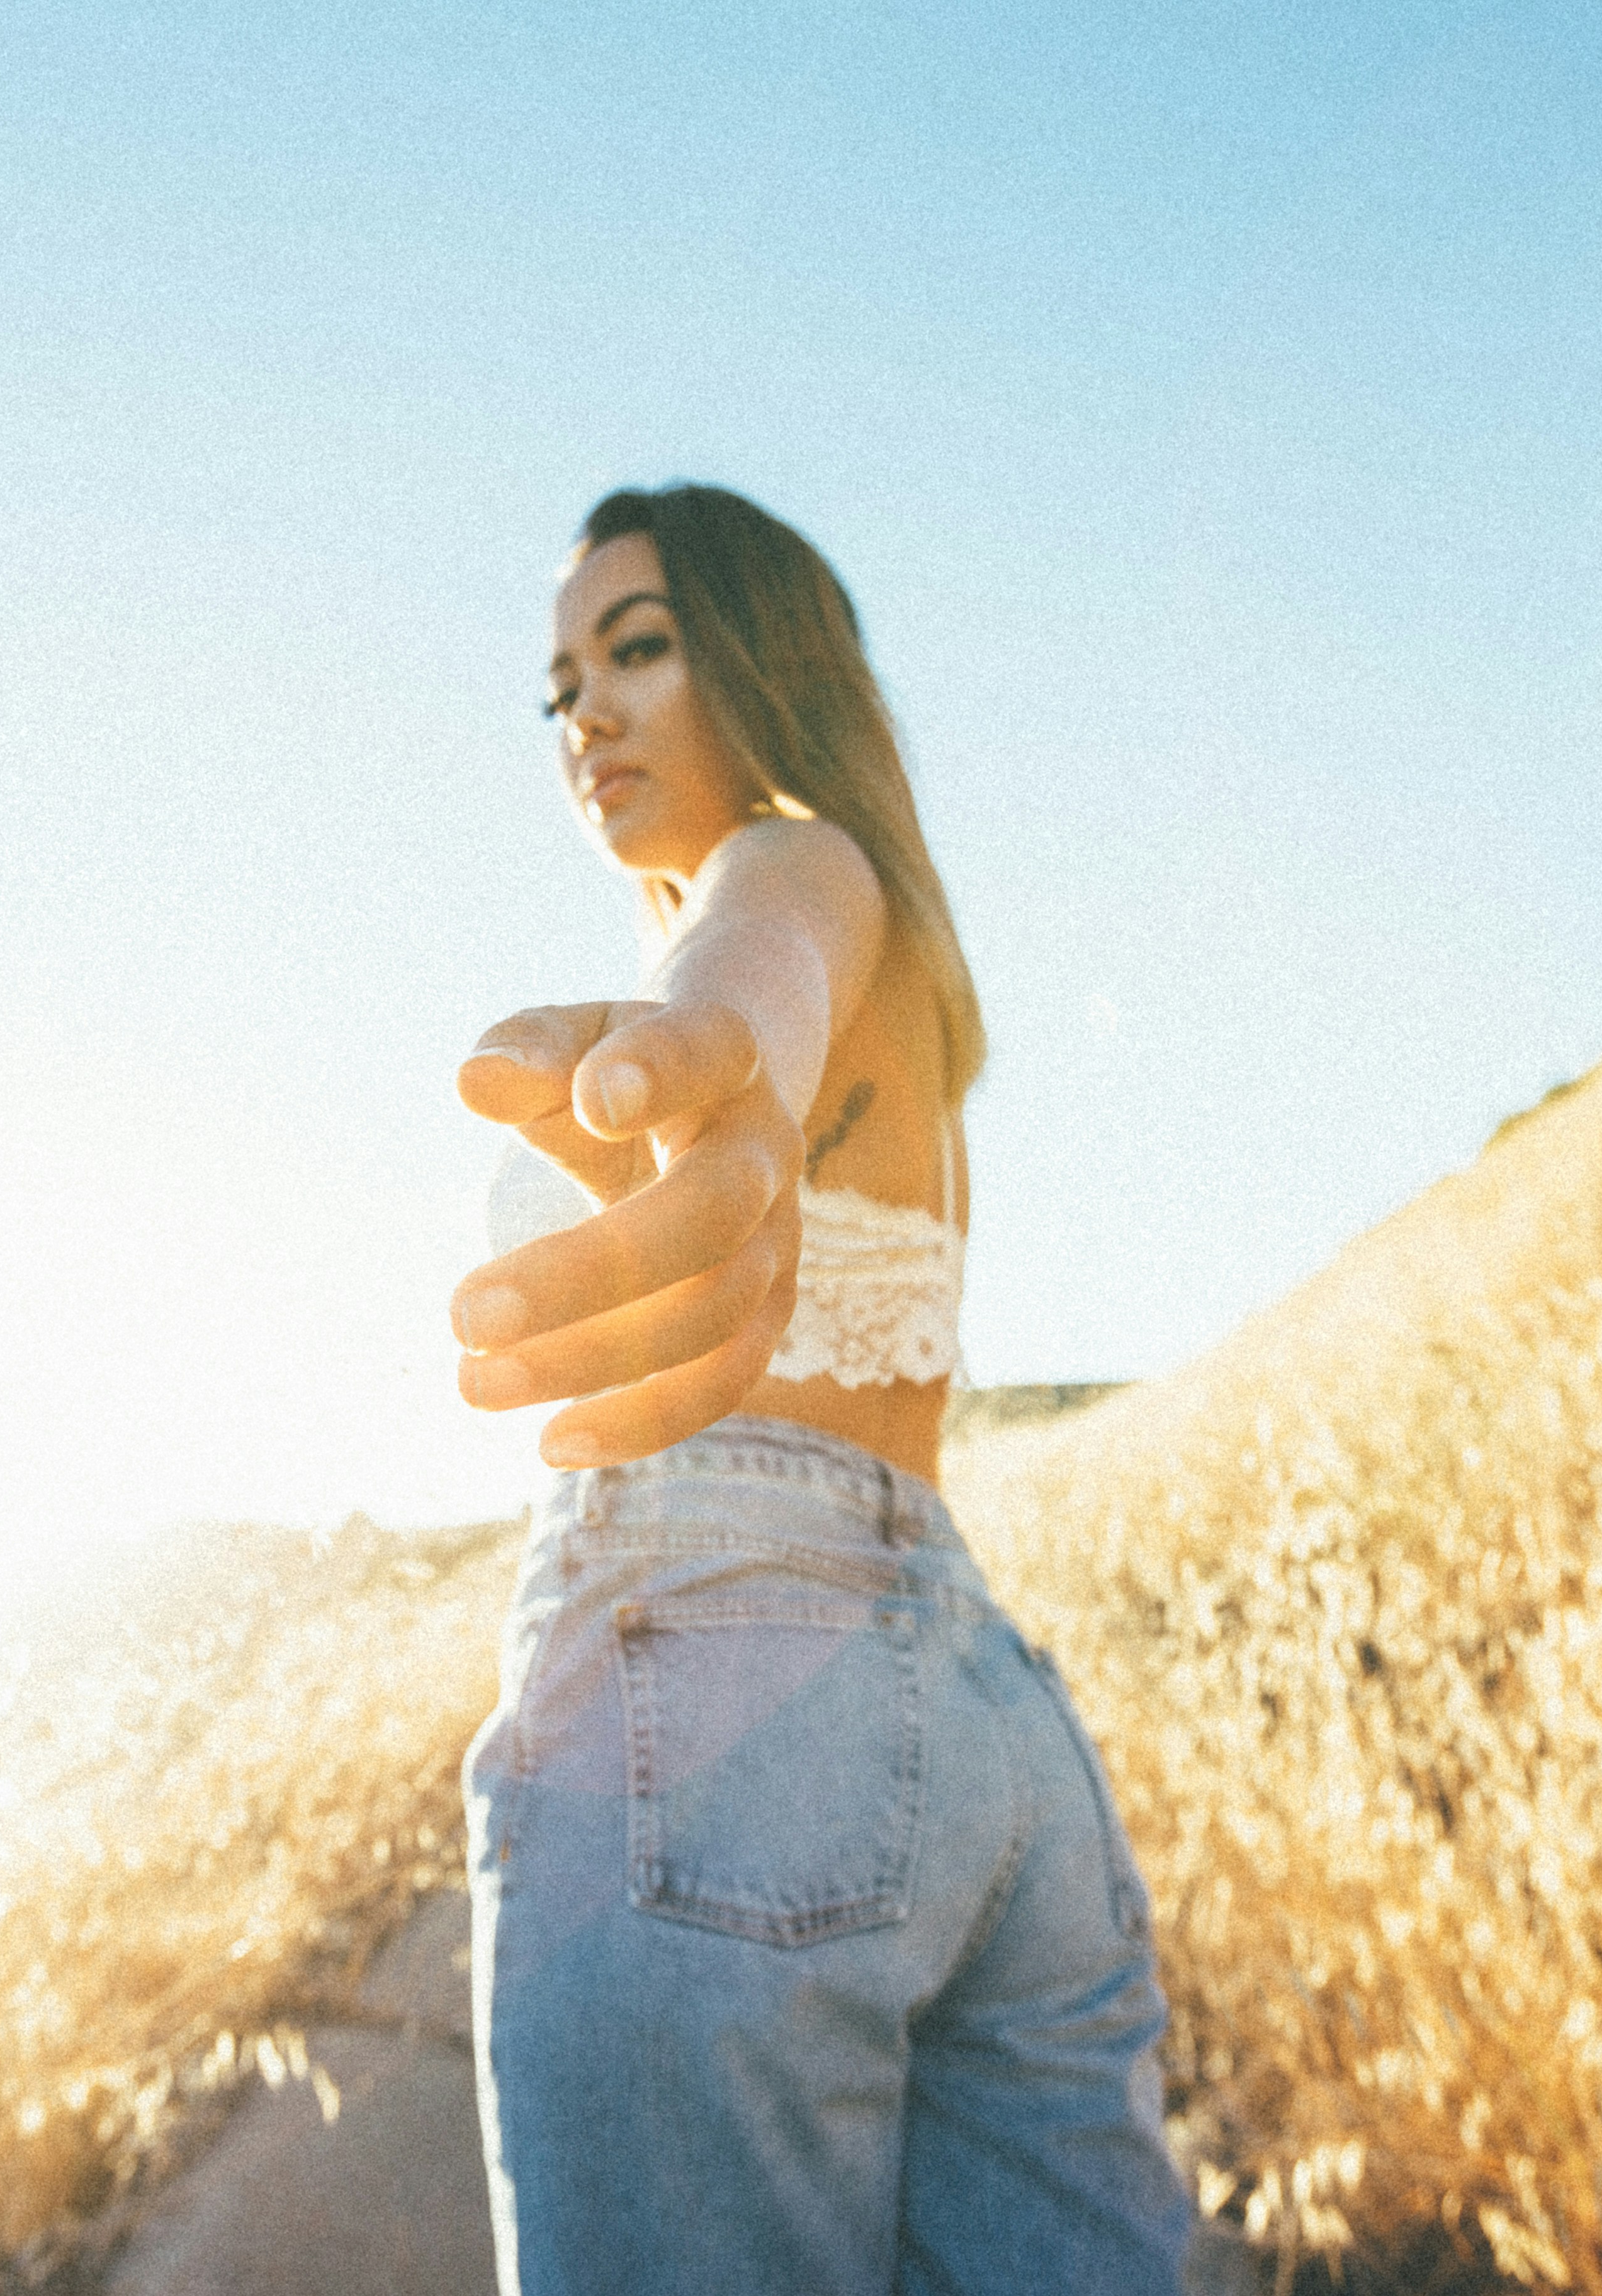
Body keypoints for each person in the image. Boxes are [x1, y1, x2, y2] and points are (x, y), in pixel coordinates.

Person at [451, 484, 1193, 2295]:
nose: (588, 717)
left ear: (765, 662)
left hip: (721, 1696)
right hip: (987, 1734)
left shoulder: (789, 866)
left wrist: (714, 1076)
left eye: (640, 649)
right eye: (557, 684)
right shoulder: (903, 948)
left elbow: (747, 974)